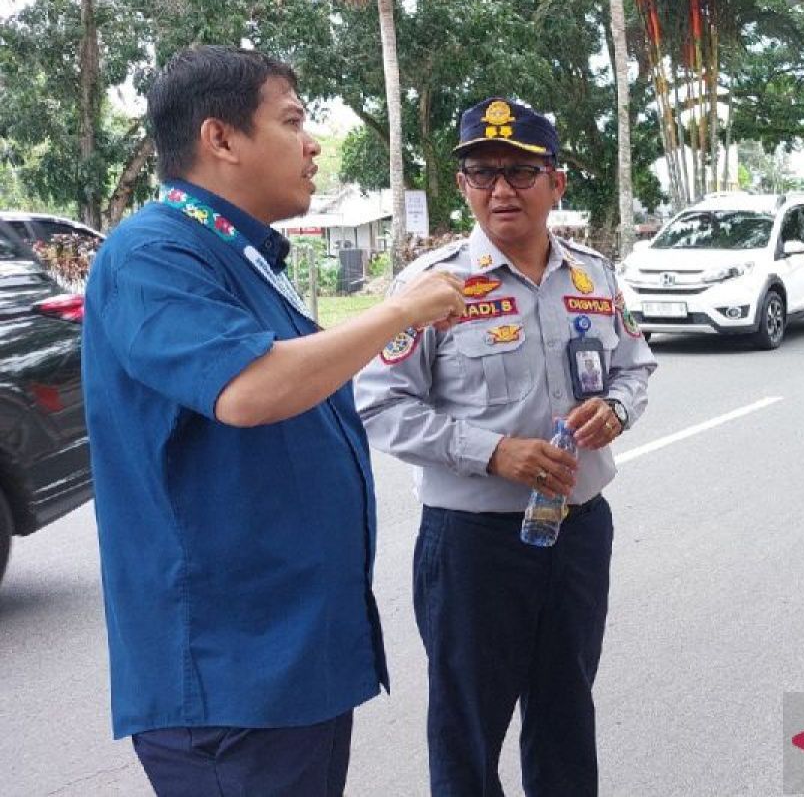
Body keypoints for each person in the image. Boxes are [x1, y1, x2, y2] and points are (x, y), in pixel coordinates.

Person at [82, 45, 466, 795]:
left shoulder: (244, 254)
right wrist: (399, 311)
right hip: (231, 677)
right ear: (220, 139)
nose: (314, 141)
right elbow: (250, 387)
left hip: (289, 662)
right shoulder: (152, 252)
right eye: (291, 120)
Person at [355, 97, 656, 796]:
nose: (500, 190)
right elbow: (378, 404)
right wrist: (491, 452)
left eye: (520, 173)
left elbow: (636, 368)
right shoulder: (429, 289)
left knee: (566, 716)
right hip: (473, 546)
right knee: (467, 730)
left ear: (556, 183)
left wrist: (615, 408)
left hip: (577, 535)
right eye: (481, 173)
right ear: (462, 186)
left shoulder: (594, 278)